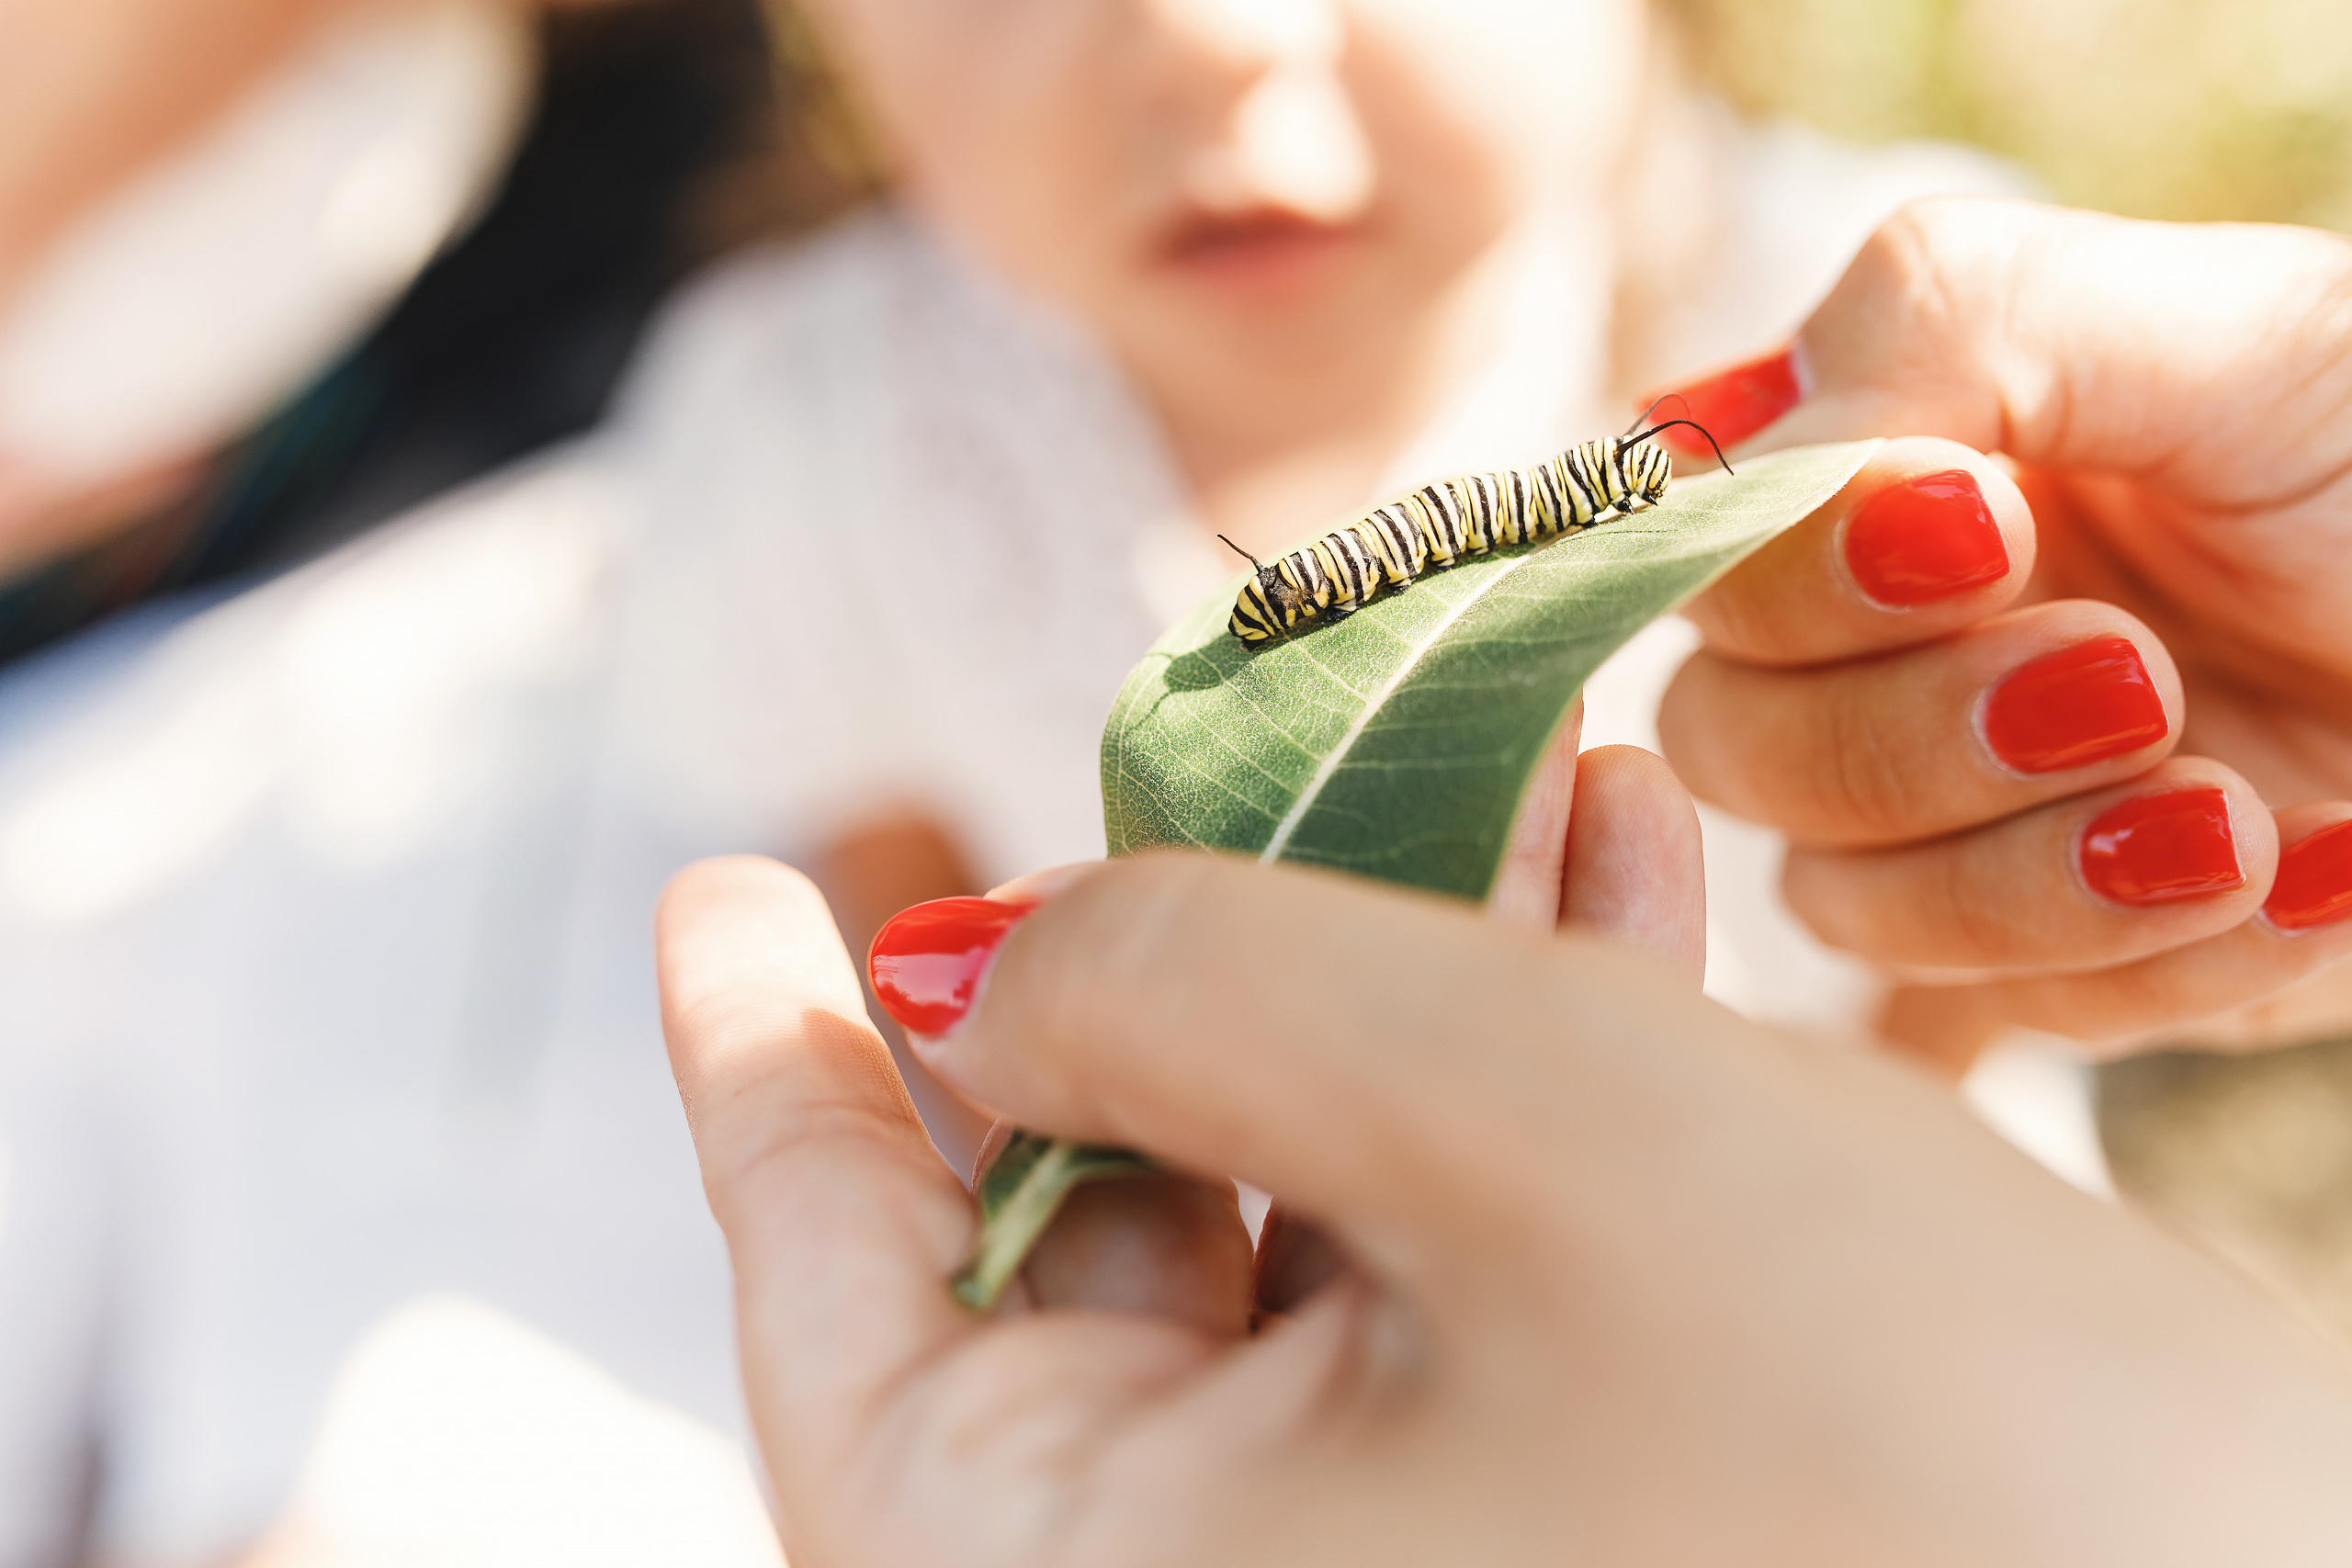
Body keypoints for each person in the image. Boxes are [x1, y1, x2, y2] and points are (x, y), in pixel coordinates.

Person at [1, 0, 2347, 1553]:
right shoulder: (813, 431)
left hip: (1816, 1245)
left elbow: (1956, 969)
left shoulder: (1884, 334)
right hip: (1186, 1329)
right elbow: (890, 895)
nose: (1209, 40)